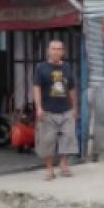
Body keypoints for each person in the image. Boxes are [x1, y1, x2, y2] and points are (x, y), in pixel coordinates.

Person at [32, 40, 79, 181]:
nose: (56, 52)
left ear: (63, 52)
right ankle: (49, 168)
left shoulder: (67, 68)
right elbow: (36, 88)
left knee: (68, 137)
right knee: (47, 140)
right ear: (48, 51)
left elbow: (71, 89)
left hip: (66, 110)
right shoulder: (41, 68)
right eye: (53, 49)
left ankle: (64, 165)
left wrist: (75, 107)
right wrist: (39, 107)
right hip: (48, 111)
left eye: (59, 49)